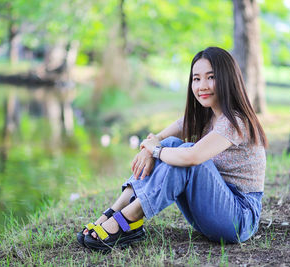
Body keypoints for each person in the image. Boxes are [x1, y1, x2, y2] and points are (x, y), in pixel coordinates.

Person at [77, 46, 268, 251]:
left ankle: (127, 220)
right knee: (172, 145)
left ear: (227, 79)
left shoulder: (236, 122)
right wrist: (150, 148)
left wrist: (156, 151)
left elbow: (192, 156)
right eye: (196, 79)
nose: (202, 85)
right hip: (214, 212)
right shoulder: (206, 116)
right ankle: (114, 212)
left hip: (239, 219)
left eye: (210, 77)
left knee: (186, 156)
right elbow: (161, 138)